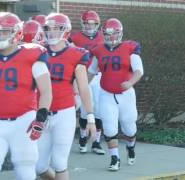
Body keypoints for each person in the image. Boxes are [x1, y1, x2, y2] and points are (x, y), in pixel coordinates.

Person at [0, 12, 52, 180]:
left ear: (17, 32)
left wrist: (41, 118)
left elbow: (46, 91)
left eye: (5, 31)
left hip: (24, 120)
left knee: (24, 166)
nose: (0, 36)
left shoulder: (33, 55)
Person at [36, 13, 96, 180]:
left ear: (66, 31)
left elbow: (84, 88)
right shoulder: (38, 51)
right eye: (48, 28)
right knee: (39, 166)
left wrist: (90, 118)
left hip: (64, 113)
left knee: (59, 162)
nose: (51, 32)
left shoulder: (76, 53)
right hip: (40, 113)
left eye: (56, 28)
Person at [88, 18, 144, 171]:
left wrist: (131, 82)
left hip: (126, 95)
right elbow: (91, 72)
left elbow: (139, 70)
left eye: (114, 34)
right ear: (103, 34)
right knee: (110, 128)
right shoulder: (98, 50)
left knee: (129, 128)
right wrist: (81, 86)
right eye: (107, 34)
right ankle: (115, 158)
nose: (111, 37)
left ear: (120, 33)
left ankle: (131, 147)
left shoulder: (129, 48)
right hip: (106, 93)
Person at [68, 10, 105, 155]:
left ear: (97, 24)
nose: (89, 27)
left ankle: (96, 142)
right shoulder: (74, 37)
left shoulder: (104, 37)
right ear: (82, 24)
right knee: (85, 110)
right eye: (87, 24)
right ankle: (83, 138)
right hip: (82, 75)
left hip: (100, 76)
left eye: (92, 24)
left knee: (100, 111)